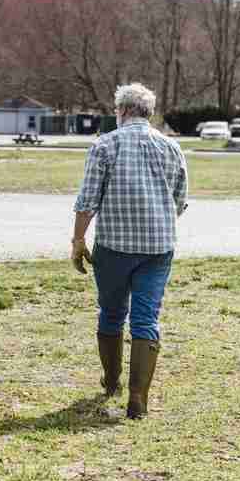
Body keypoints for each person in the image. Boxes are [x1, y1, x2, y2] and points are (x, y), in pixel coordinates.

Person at [72, 83, 188, 419]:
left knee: (111, 313)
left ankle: (111, 382)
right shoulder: (171, 148)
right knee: (146, 319)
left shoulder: (105, 145)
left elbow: (87, 201)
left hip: (113, 247)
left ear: (121, 111)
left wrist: (78, 240)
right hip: (158, 247)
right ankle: (138, 399)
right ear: (148, 113)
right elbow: (179, 201)